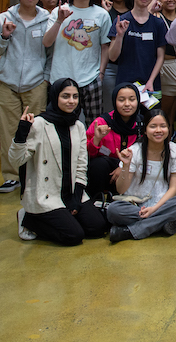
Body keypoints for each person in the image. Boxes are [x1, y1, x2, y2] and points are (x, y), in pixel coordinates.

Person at [8, 78, 109, 245]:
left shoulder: (78, 126)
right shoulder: (39, 124)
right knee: (74, 236)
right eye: (65, 96)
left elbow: (82, 165)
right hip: (47, 193)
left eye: (75, 97)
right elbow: (16, 160)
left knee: (98, 228)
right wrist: (21, 132)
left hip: (71, 191)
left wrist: (76, 198)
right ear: (55, 97)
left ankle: (65, 216)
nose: (71, 101)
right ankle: (28, 219)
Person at [0, 0, 51, 192]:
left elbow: (51, 52)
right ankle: (11, 175)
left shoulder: (48, 19)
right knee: (8, 130)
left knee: (36, 130)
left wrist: (45, 78)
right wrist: (3, 37)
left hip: (36, 84)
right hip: (7, 83)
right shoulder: (2, 19)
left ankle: (34, 174)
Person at [106, 109, 176, 242]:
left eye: (163, 126)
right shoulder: (134, 151)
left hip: (162, 204)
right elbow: (121, 190)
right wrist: (126, 166)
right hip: (134, 205)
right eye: (153, 126)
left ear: (169, 128)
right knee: (112, 210)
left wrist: (153, 209)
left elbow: (174, 189)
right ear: (145, 130)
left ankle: (130, 231)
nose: (158, 130)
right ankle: (162, 222)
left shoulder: (175, 151)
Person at [43, 0, 112, 123]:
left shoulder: (101, 14)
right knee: (60, 123)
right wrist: (59, 21)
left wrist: (101, 73)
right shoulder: (58, 12)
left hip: (91, 78)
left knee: (93, 124)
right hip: (61, 77)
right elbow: (46, 42)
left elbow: (105, 47)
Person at [108, 0, 167, 99]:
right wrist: (120, 35)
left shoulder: (158, 23)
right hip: (125, 83)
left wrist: (151, 81)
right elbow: (112, 57)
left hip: (151, 84)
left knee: (154, 117)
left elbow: (161, 57)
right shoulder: (121, 20)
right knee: (126, 116)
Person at [85, 83, 143, 198]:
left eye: (132, 99)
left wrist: (123, 167)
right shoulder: (102, 123)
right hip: (105, 172)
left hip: (131, 169)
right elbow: (86, 155)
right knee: (98, 164)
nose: (127, 104)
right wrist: (97, 139)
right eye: (121, 100)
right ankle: (96, 202)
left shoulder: (142, 125)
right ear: (114, 101)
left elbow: (148, 153)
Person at [156, 0, 176, 130]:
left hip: (175, 65)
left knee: (171, 105)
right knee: (160, 107)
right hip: (157, 66)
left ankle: (170, 132)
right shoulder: (155, 16)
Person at [101, 0, 132, 111]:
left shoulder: (134, 11)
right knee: (110, 105)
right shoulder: (104, 12)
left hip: (131, 65)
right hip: (111, 66)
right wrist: (105, 13)